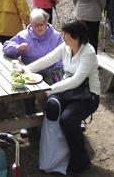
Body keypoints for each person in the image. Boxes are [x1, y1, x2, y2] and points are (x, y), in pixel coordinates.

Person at [26, 20, 100, 174]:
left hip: (87, 96)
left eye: (65, 34)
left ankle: (80, 160)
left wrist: (51, 89)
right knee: (51, 106)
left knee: (67, 120)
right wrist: (25, 70)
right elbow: (47, 59)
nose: (62, 36)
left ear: (76, 36)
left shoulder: (88, 52)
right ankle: (56, 156)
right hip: (68, 91)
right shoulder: (66, 47)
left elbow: (77, 80)